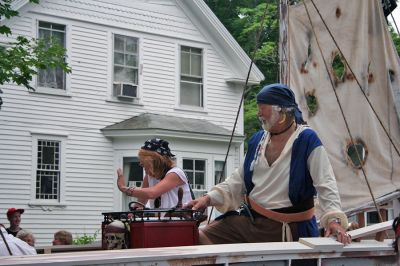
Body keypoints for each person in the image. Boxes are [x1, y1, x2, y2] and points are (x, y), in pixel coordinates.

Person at [186, 83, 351, 246]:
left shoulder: (307, 140)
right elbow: (238, 181)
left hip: (288, 230)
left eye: (262, 108)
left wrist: (334, 220)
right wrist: (207, 199)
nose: (258, 113)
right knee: (197, 237)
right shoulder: (257, 140)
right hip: (251, 222)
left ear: (281, 110)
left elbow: (325, 183)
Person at [117, 138, 192, 209]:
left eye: (142, 160)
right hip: (162, 220)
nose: (140, 163)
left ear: (152, 160)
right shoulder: (150, 176)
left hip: (182, 219)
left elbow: (152, 193)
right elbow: (141, 202)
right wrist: (134, 211)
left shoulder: (175, 173)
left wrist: (124, 188)